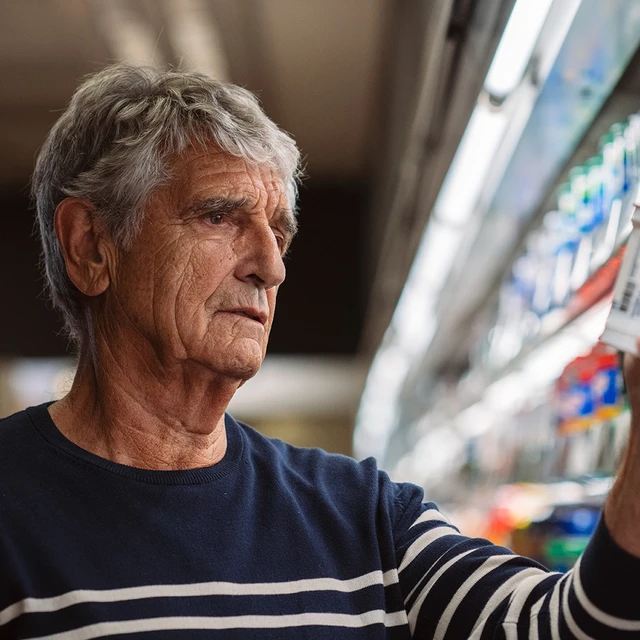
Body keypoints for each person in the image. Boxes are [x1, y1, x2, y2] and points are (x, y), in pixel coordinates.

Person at [1, 63, 639, 640]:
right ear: (91, 246)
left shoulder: (366, 519)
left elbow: (578, 628)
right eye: (219, 216)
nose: (271, 267)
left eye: (279, 232)